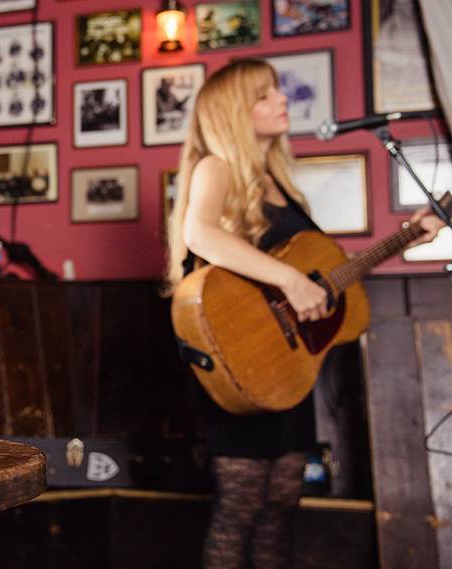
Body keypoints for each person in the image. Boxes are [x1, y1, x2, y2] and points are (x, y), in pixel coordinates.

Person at [164, 58, 442, 569]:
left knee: (281, 503)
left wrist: (407, 238)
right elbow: (199, 235)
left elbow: (323, 279)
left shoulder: (277, 181)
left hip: (287, 365)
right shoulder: (214, 166)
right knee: (241, 505)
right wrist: (288, 279)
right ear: (234, 111)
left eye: (278, 92)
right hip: (236, 359)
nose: (282, 100)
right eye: (265, 95)